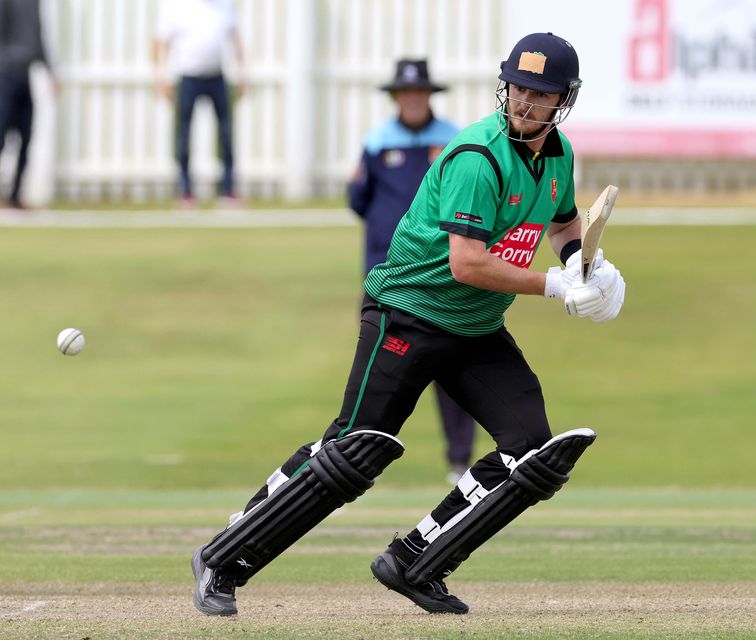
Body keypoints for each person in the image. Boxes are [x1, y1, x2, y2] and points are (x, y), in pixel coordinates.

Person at [191, 32, 626, 617]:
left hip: (475, 328)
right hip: (409, 313)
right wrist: (556, 285)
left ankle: (416, 561)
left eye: (540, 94)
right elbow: (467, 262)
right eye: (519, 88)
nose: (525, 102)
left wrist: (584, 265)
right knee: (353, 452)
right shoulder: (477, 157)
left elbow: (564, 223)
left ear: (562, 101)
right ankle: (224, 558)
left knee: (531, 453)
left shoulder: (559, 155)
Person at [347, 58, 475, 484]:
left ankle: (460, 461)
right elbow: (358, 200)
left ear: (428, 95)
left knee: (453, 370)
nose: (413, 100)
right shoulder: (378, 142)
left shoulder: (455, 141)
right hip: (390, 277)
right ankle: (355, 460)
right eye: (406, 93)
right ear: (397, 97)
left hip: (444, 276)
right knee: (383, 371)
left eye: (419, 92)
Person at [153, 0, 245, 206]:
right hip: (187, 76)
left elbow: (235, 37)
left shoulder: (224, 4)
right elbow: (160, 42)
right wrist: (161, 77)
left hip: (217, 75)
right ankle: (185, 190)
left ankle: (227, 189)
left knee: (226, 133)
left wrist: (242, 73)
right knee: (183, 134)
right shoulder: (175, 6)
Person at [0, 0, 57, 210]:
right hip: (5, 75)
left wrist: (51, 70)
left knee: (26, 137)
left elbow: (39, 37)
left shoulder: (35, 3)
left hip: (25, 75)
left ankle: (15, 196)